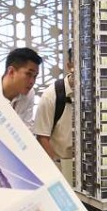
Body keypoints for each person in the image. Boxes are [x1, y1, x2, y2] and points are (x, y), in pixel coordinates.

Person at [33, 48, 74, 181]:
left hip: (86, 167)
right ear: (70, 66)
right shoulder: (52, 95)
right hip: (60, 165)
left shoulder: (95, 94)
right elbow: (42, 136)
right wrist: (55, 170)